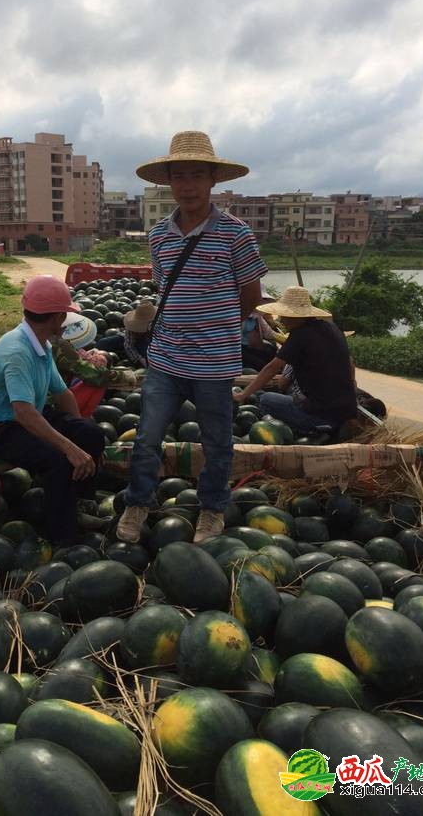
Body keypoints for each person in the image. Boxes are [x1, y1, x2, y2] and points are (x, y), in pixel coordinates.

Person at [116, 130, 267, 544]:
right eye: (178, 176)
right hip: (166, 356)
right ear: (168, 182)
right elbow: (166, 288)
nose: (187, 185)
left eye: (196, 175)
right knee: (147, 437)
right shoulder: (159, 236)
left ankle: (212, 509)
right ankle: (138, 502)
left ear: (213, 179)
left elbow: (251, 297)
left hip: (214, 363)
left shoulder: (236, 234)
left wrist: (216, 329)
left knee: (217, 442)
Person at [0, 275, 105, 547]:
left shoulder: (42, 343)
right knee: (59, 460)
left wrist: (79, 432)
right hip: (4, 429)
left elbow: (63, 394)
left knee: (92, 433)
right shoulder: (17, 351)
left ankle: (80, 502)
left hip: (30, 418)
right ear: (58, 317)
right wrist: (71, 449)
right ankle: (62, 537)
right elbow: (23, 413)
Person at [233, 286, 358, 434]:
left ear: (298, 316)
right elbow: (350, 364)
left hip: (319, 414)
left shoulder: (299, 335)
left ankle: (313, 428)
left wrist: (243, 394)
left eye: (285, 315)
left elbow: (272, 368)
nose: (281, 320)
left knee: (265, 399)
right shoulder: (333, 328)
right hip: (347, 410)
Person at [96, 300, 157, 367]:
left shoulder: (161, 325)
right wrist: (139, 359)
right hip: (129, 340)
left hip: (150, 344)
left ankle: (125, 355)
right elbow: (128, 345)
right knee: (101, 343)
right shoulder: (132, 324)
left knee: (149, 357)